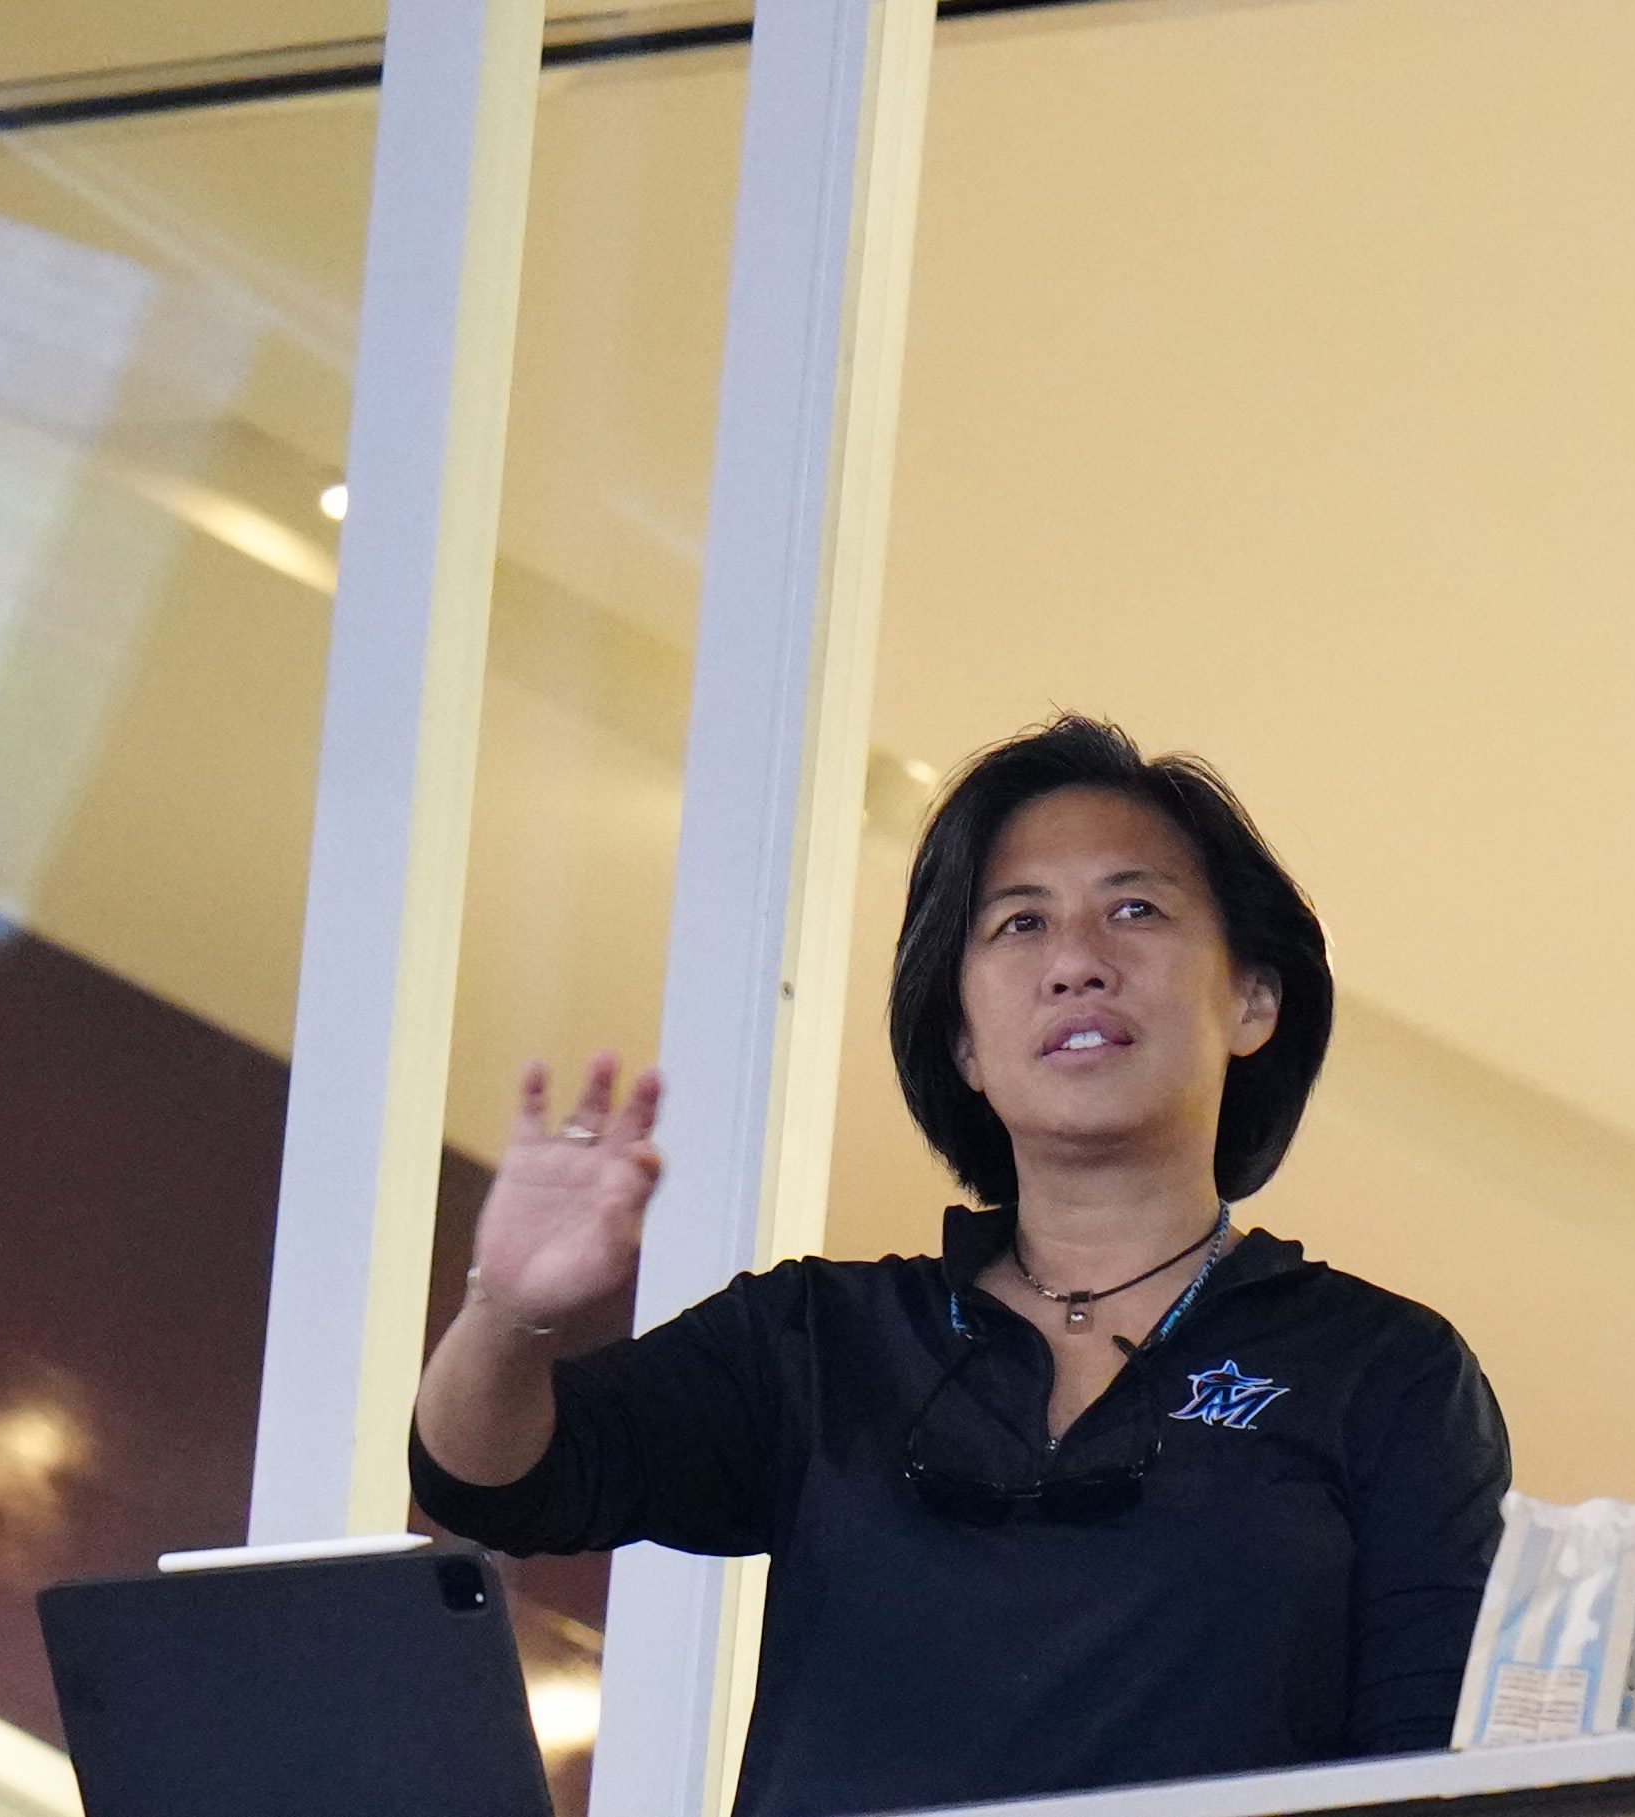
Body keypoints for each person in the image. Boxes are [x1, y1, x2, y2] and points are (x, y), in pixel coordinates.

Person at [413, 717, 1511, 1817]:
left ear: (1254, 999)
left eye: (1137, 907)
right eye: (1020, 923)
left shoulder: (1386, 1370)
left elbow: (1433, 1781)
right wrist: (505, 1309)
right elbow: (494, 1477)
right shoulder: (819, 1337)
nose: (1078, 960)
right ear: (965, 1046)